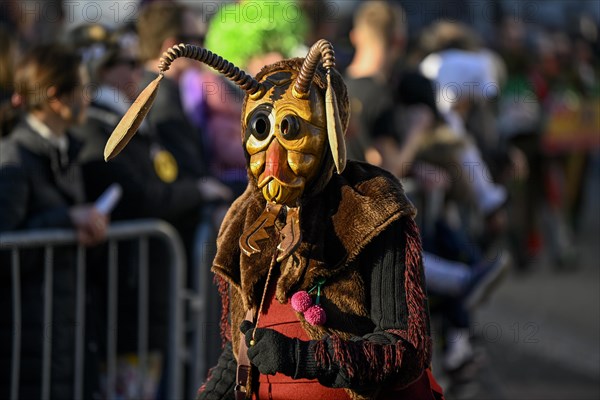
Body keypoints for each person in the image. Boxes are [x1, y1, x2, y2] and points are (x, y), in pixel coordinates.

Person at [103, 38, 445, 399]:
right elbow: (239, 353)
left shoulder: (372, 206)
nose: (274, 162)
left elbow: (405, 348)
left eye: (293, 131)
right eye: (262, 132)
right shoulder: (244, 219)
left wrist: (302, 358)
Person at [0, 43, 106, 400]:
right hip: (27, 343)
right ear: (55, 97)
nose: (89, 95)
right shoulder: (15, 157)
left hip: (64, 333)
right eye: (82, 86)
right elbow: (6, 247)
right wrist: (66, 220)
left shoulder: (64, 150)